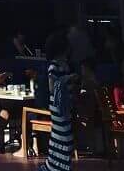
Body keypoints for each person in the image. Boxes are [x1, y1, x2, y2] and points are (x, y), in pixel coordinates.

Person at [41, 31, 77, 171]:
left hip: (65, 104)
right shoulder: (54, 66)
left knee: (64, 135)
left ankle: (58, 165)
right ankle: (57, 166)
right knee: (63, 136)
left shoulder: (64, 65)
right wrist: (68, 79)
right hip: (58, 105)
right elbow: (52, 86)